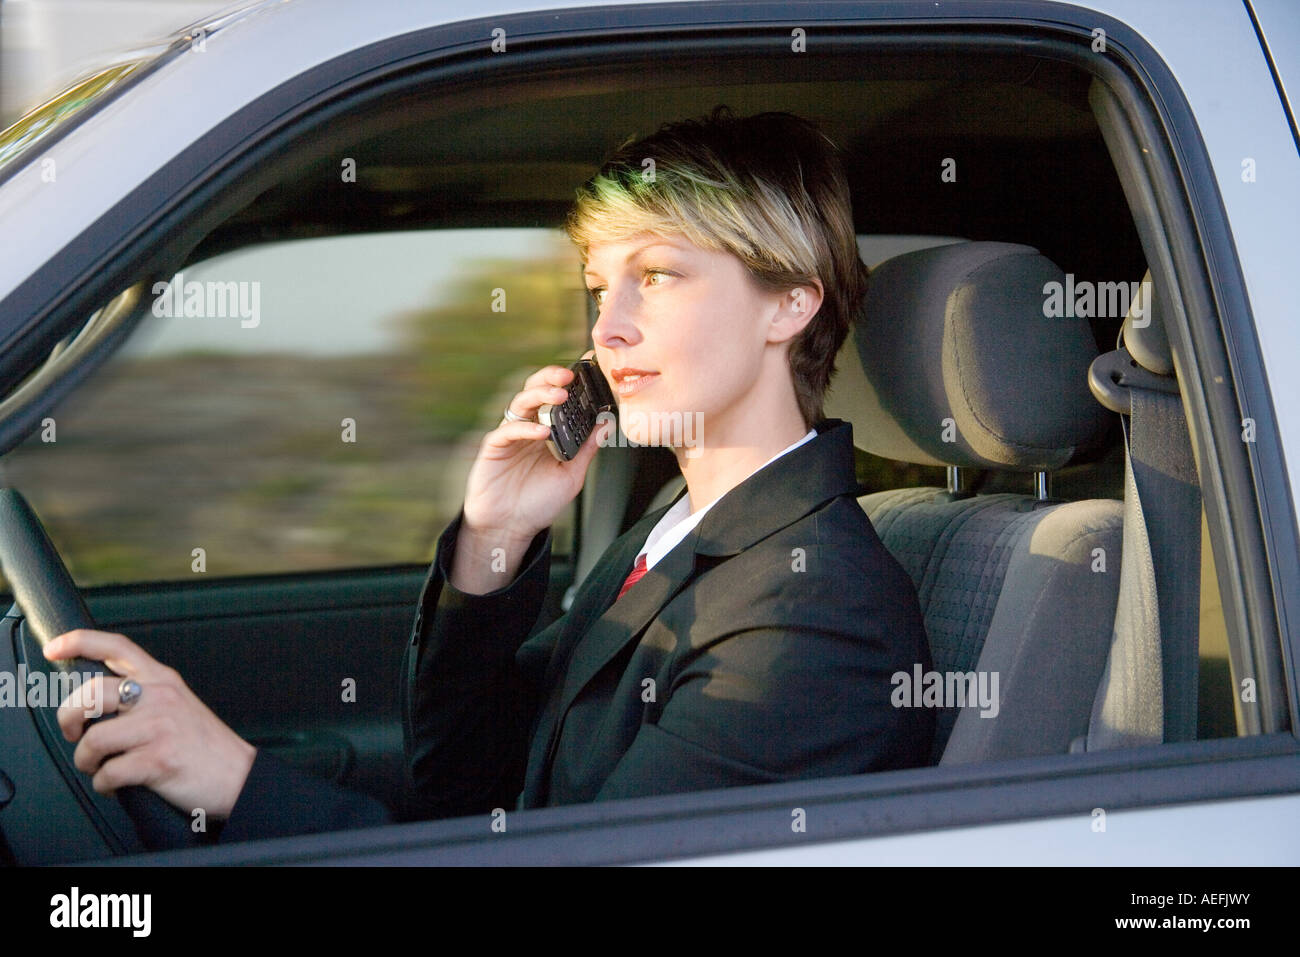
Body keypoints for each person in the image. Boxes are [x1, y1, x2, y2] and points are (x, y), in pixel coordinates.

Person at [49, 105, 934, 843]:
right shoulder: (679, 522)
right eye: (600, 288)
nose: (609, 329)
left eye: (658, 276)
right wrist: (494, 538)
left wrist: (232, 778)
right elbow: (467, 790)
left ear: (790, 301)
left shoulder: (818, 618)